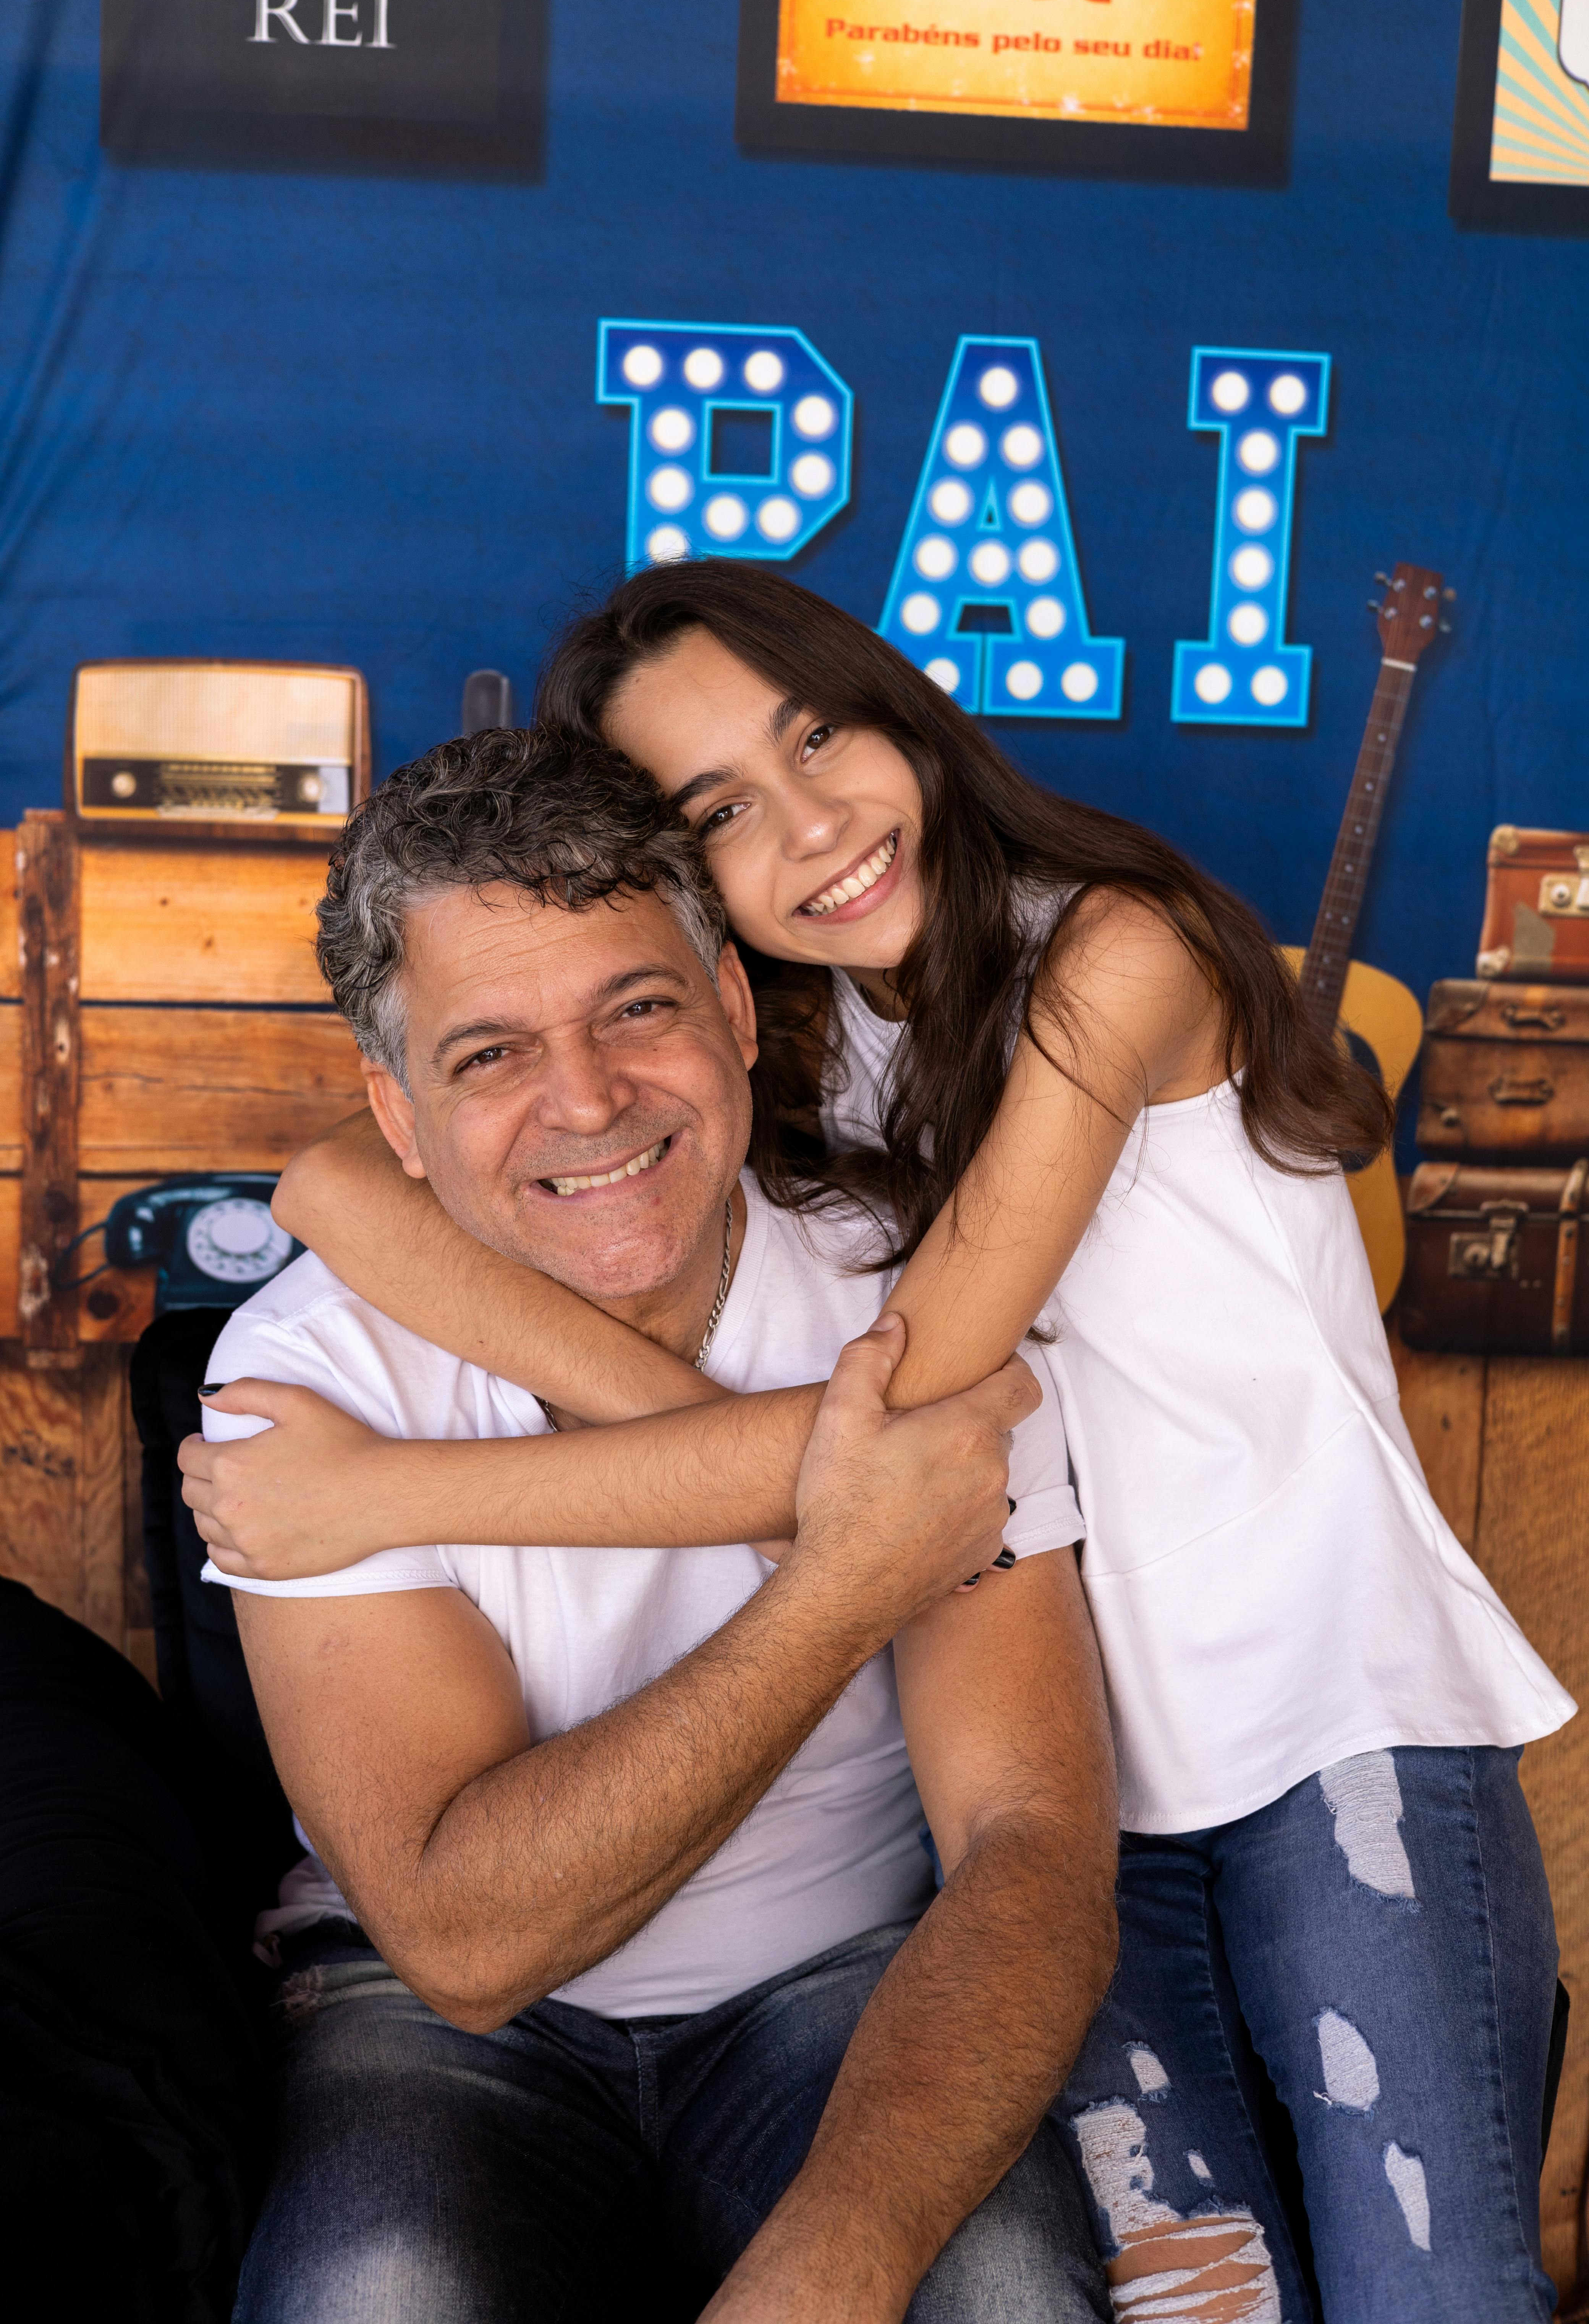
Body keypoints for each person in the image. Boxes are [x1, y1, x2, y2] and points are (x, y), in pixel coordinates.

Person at [188, 563, 1574, 2324]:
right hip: (1111, 1777)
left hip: (1320, 1714)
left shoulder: (1098, 964)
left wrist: (389, 1498)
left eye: (817, 732)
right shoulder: (838, 1054)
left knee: (1420, 2288)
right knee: (1189, 2296)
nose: (811, 820)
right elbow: (334, 1182)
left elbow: (908, 1418)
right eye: (719, 809)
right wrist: (842, 1531)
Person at [196, 724, 1120, 2324]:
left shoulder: (916, 1302)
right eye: (486, 1053)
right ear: (397, 1115)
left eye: (636, 1008)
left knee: (1004, 2297)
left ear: (738, 1013)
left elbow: (1029, 1847)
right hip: (434, 2022)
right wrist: (842, 1584)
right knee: (374, 2295)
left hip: (843, 1988)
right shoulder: (307, 1373)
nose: (588, 1099)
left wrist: (832, 2268)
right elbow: (465, 1940)